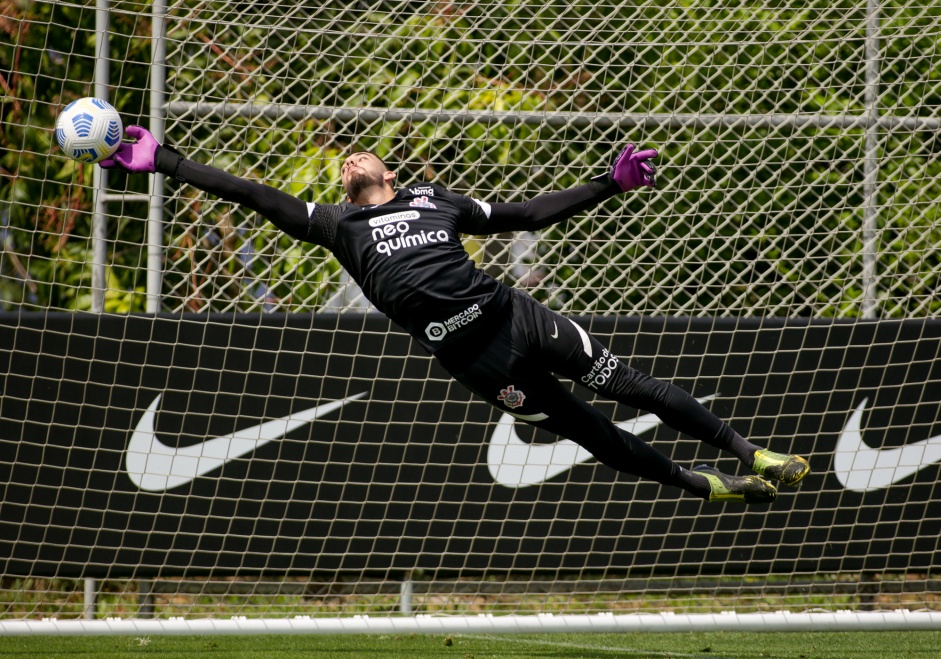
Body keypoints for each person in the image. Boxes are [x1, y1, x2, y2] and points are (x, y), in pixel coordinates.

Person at [101, 126, 810, 503]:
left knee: (628, 384)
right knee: (592, 430)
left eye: (359, 150)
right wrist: (167, 161)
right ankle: (708, 485)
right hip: (477, 362)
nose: (348, 157)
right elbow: (254, 194)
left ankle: (753, 453)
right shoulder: (339, 225)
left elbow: (526, 212)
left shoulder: (434, 200)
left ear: (387, 167)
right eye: (341, 160)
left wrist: (607, 183)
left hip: (514, 317)